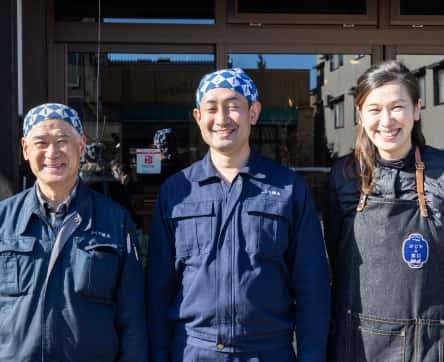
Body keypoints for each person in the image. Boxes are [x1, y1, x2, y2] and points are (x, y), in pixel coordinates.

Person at [147, 68, 330, 361]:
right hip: (193, 351)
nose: (221, 119)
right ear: (198, 117)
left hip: (268, 352)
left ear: (253, 113)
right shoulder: (177, 191)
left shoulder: (287, 188)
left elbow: (312, 287)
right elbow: (158, 288)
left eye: (233, 106)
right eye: (211, 109)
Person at [0, 103, 148, 361]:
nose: (52, 152)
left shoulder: (115, 220)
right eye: (41, 143)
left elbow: (132, 318)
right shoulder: (3, 219)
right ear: (25, 149)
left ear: (81, 146)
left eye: (62, 140)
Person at [324, 60, 444, 361]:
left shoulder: (441, 171)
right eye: (375, 109)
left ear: (417, 109)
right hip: (357, 344)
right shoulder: (343, 175)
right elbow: (335, 257)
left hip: (427, 345)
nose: (387, 120)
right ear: (361, 116)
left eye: (397, 107)